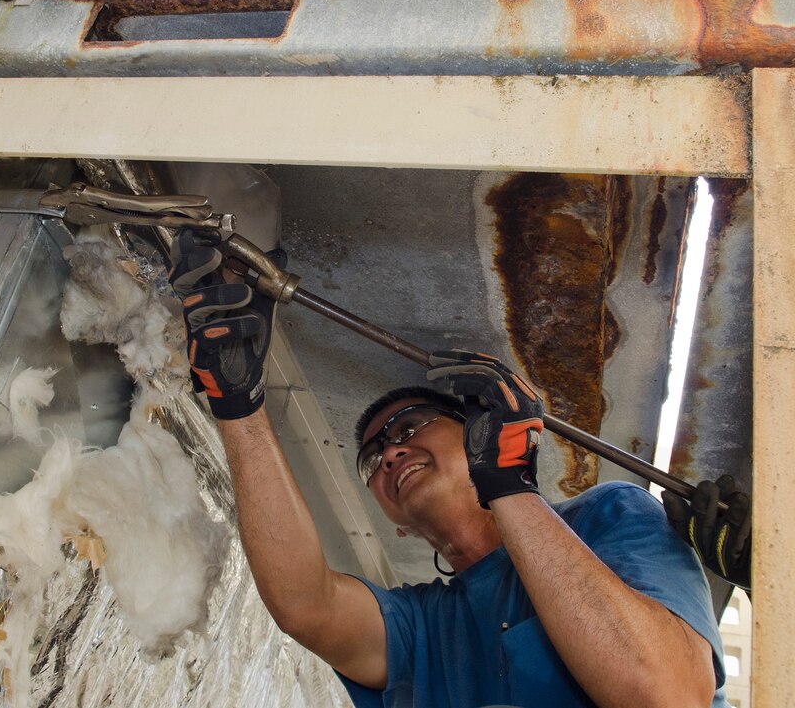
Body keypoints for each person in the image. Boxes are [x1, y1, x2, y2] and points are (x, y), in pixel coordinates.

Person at [170, 232, 732, 707]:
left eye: (410, 427)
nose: (389, 453)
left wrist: (511, 487)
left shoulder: (611, 516)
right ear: (395, 524)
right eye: (374, 457)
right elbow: (304, 606)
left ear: (476, 434)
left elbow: (666, 694)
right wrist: (238, 407)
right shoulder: (420, 630)